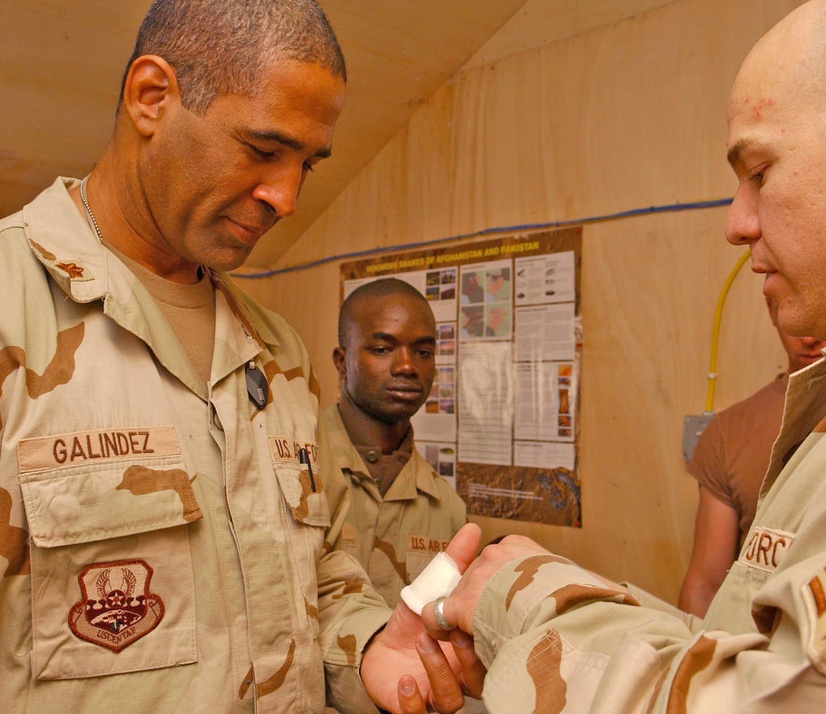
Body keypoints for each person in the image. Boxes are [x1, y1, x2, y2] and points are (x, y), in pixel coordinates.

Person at [416, 0, 826, 710]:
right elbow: (765, 657)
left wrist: (521, 594)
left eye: (759, 170)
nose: (737, 222)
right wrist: (550, 620)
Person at [0, 2, 478, 712]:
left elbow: (311, 574)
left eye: (307, 165)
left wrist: (373, 644)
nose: (286, 199)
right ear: (151, 97)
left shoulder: (275, 352)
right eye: (261, 149)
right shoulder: (15, 307)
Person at [679, 299, 826, 616]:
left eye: (823, 313)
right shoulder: (729, 431)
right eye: (794, 312)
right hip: (754, 645)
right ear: (773, 312)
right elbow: (704, 587)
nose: (809, 336)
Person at [326, 278, 467, 609]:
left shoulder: (446, 509)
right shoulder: (301, 470)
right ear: (341, 362)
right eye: (382, 349)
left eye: (422, 352)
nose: (407, 367)